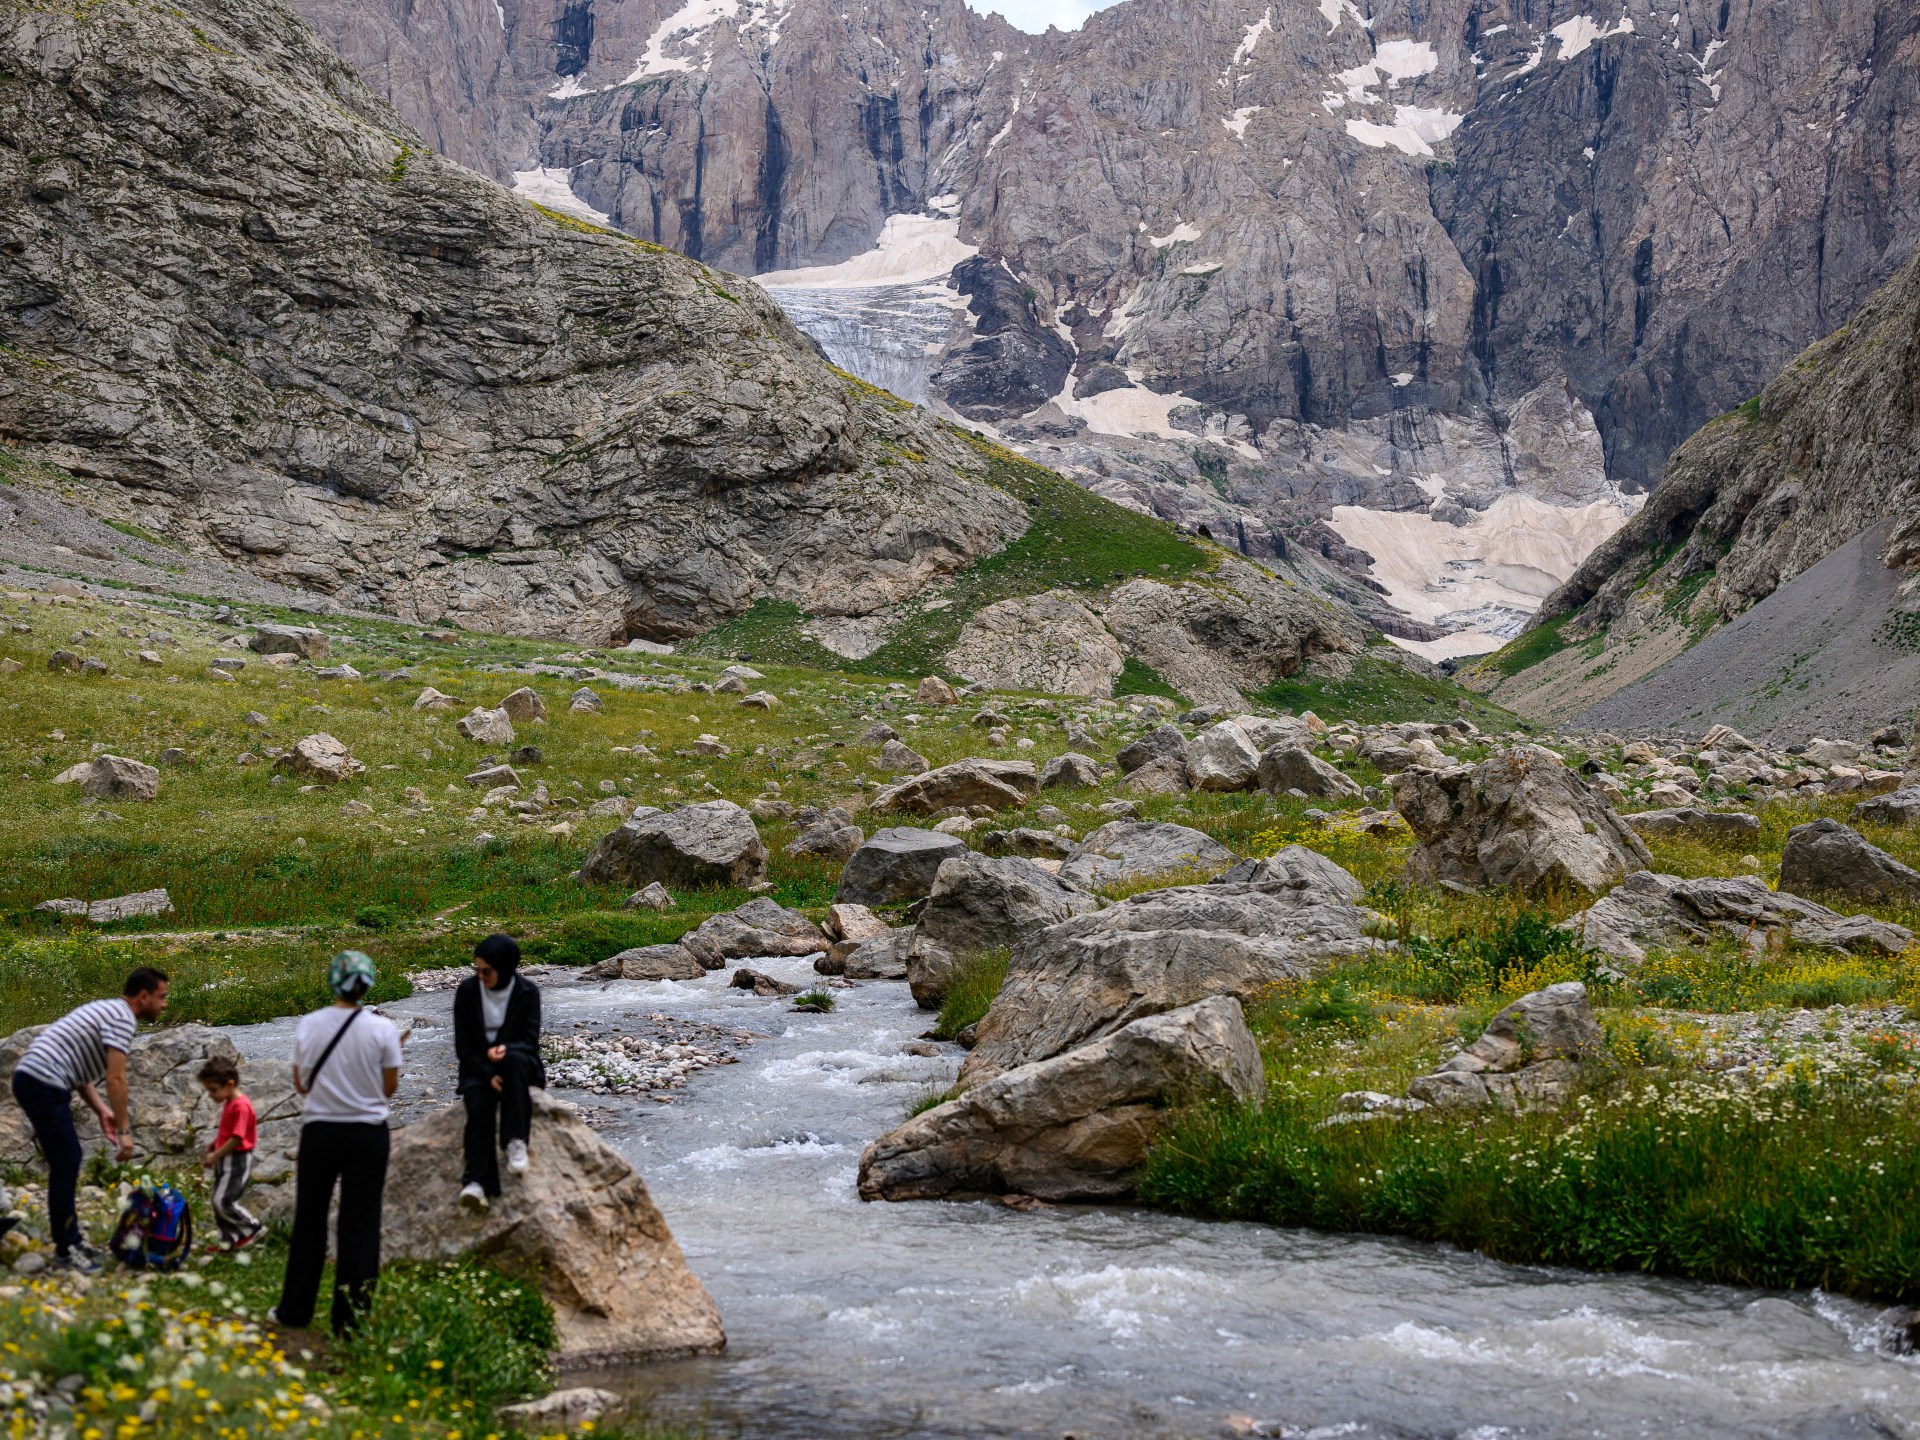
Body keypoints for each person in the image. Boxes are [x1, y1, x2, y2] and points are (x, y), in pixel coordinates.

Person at [271, 951, 404, 1336]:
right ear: (368, 985)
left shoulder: (310, 1024)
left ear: (332, 982)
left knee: (309, 1220)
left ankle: (294, 1311)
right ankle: (352, 1324)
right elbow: (389, 1089)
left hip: (321, 1131)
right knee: (360, 1224)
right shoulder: (383, 1030)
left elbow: (300, 1083)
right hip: (368, 1134)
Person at [10, 968, 170, 1272]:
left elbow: (80, 1074)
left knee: (67, 1160)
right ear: (143, 996)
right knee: (67, 1162)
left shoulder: (109, 1010)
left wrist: (101, 1111)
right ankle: (66, 1249)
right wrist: (124, 1131)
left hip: (35, 1078)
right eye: (161, 997)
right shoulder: (123, 1018)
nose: (164, 1004)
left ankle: (69, 1240)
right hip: (42, 1081)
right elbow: (116, 1079)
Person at [452, 934, 544, 1213]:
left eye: (486, 971)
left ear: (504, 968)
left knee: (515, 1059)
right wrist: (486, 1070)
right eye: (477, 970)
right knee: (478, 1104)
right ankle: (477, 1183)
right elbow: (463, 1045)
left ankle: (516, 1141)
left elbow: (530, 1040)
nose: (480, 976)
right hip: (478, 1066)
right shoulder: (467, 992)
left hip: (517, 1062)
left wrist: (504, 1048)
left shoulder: (527, 992)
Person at [197, 1056, 263, 1252]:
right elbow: (228, 1133)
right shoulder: (230, 1102)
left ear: (230, 1084)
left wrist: (215, 1155)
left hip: (237, 1159)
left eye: (213, 1090)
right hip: (226, 1158)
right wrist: (215, 1144)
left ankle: (252, 1226)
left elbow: (237, 1137)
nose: (211, 1095)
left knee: (223, 1201)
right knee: (217, 1200)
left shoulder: (241, 1106)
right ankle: (229, 1240)